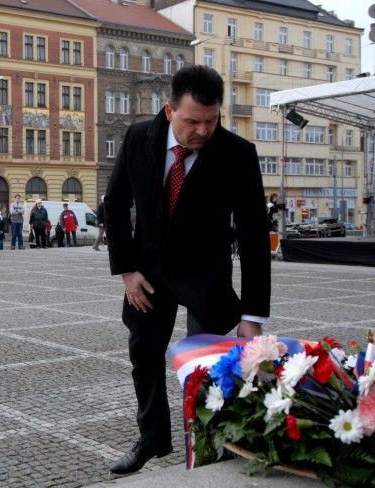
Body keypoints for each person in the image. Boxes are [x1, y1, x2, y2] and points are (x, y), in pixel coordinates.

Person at [104, 65, 270, 475]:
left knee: (208, 366)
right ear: (168, 110)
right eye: (192, 121)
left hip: (205, 277)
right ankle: (152, 438)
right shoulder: (138, 137)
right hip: (148, 275)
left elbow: (253, 237)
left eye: (211, 121)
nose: (202, 131)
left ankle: (212, 445)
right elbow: (115, 201)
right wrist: (126, 270)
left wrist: (253, 316)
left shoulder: (237, 154)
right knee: (144, 354)